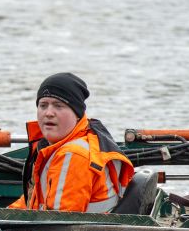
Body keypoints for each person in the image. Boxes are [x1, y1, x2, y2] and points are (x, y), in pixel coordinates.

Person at [9, 72, 135, 212]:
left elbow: (56, 223)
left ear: (77, 114)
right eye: (43, 105)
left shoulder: (74, 155)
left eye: (58, 105)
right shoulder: (52, 147)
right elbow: (30, 202)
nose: (49, 113)